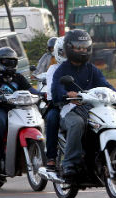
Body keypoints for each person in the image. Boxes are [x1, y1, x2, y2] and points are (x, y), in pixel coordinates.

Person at [51, 29, 116, 178]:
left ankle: (102, 157)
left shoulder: (91, 69)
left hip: (91, 107)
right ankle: (69, 164)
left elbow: (104, 84)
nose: (82, 50)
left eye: (85, 47)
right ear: (69, 48)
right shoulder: (62, 70)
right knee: (77, 124)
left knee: (108, 120)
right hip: (70, 110)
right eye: (78, 47)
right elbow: (56, 89)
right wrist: (66, 94)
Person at [0, 47, 40, 175]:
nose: (10, 65)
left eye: (13, 62)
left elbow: (31, 90)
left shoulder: (18, 77)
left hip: (16, 109)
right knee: (0, 122)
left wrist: (42, 94)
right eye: (7, 62)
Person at [45, 36, 67, 170]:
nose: (67, 56)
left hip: (81, 104)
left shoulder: (82, 67)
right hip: (59, 105)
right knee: (52, 119)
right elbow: (51, 93)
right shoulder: (53, 70)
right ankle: (51, 157)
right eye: (64, 52)